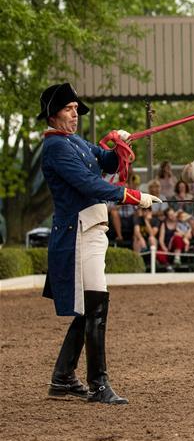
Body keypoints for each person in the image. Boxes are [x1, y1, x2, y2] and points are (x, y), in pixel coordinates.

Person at [39, 82, 161, 404]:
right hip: (78, 230)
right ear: (53, 115)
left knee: (90, 307)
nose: (75, 113)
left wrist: (122, 144)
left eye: (76, 108)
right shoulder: (56, 148)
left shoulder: (74, 142)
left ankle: (63, 378)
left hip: (93, 229)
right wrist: (134, 197)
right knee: (96, 306)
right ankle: (98, 384)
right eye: (69, 109)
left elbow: (105, 162)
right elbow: (89, 183)